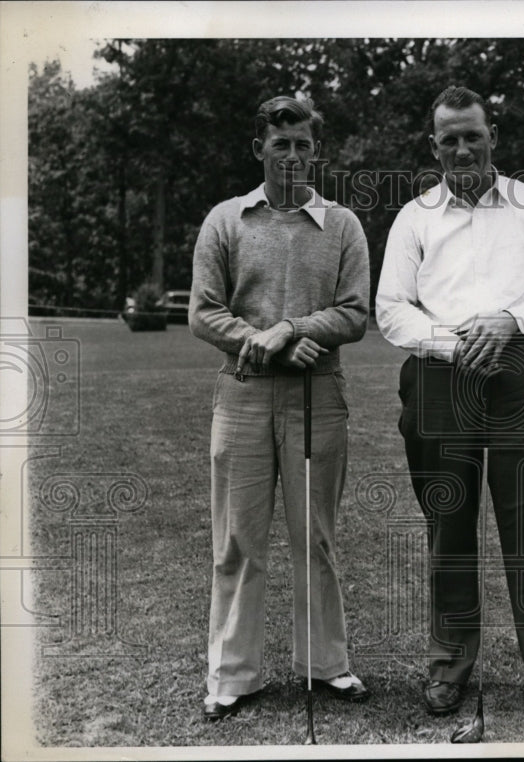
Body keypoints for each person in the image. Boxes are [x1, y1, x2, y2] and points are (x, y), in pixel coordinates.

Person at [375, 85, 524, 726]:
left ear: (492, 133)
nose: (463, 148)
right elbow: (390, 309)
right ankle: (449, 666)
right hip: (439, 376)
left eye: (473, 135)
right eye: (450, 138)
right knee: (449, 525)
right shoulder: (415, 216)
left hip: (518, 366)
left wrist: (506, 321)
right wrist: (452, 342)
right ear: (434, 144)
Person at [190, 95, 371, 720]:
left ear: (315, 151)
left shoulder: (342, 224)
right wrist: (262, 345)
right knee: (238, 541)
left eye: (302, 145)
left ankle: (327, 666)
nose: (292, 155)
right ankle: (232, 676)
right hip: (241, 394)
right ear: (259, 149)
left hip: (319, 396)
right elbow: (203, 312)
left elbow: (353, 313)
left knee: (315, 537)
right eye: (280, 144)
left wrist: (289, 329)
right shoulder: (226, 220)